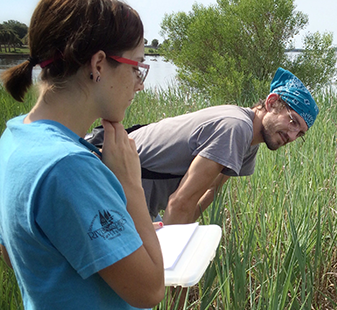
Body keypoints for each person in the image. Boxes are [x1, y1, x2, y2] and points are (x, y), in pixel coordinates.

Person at [0, 0, 164, 310]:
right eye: (137, 67)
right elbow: (150, 289)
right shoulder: (69, 167)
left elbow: (16, 253)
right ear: (99, 64)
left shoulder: (15, 139)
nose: (139, 84)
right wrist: (131, 187)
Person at [126, 67, 318, 224]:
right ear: (271, 102)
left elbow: (210, 190)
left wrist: (185, 232)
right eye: (292, 121)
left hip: (140, 205)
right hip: (112, 183)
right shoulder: (236, 128)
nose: (292, 136)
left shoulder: (250, 143)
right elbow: (180, 203)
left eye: (300, 133)